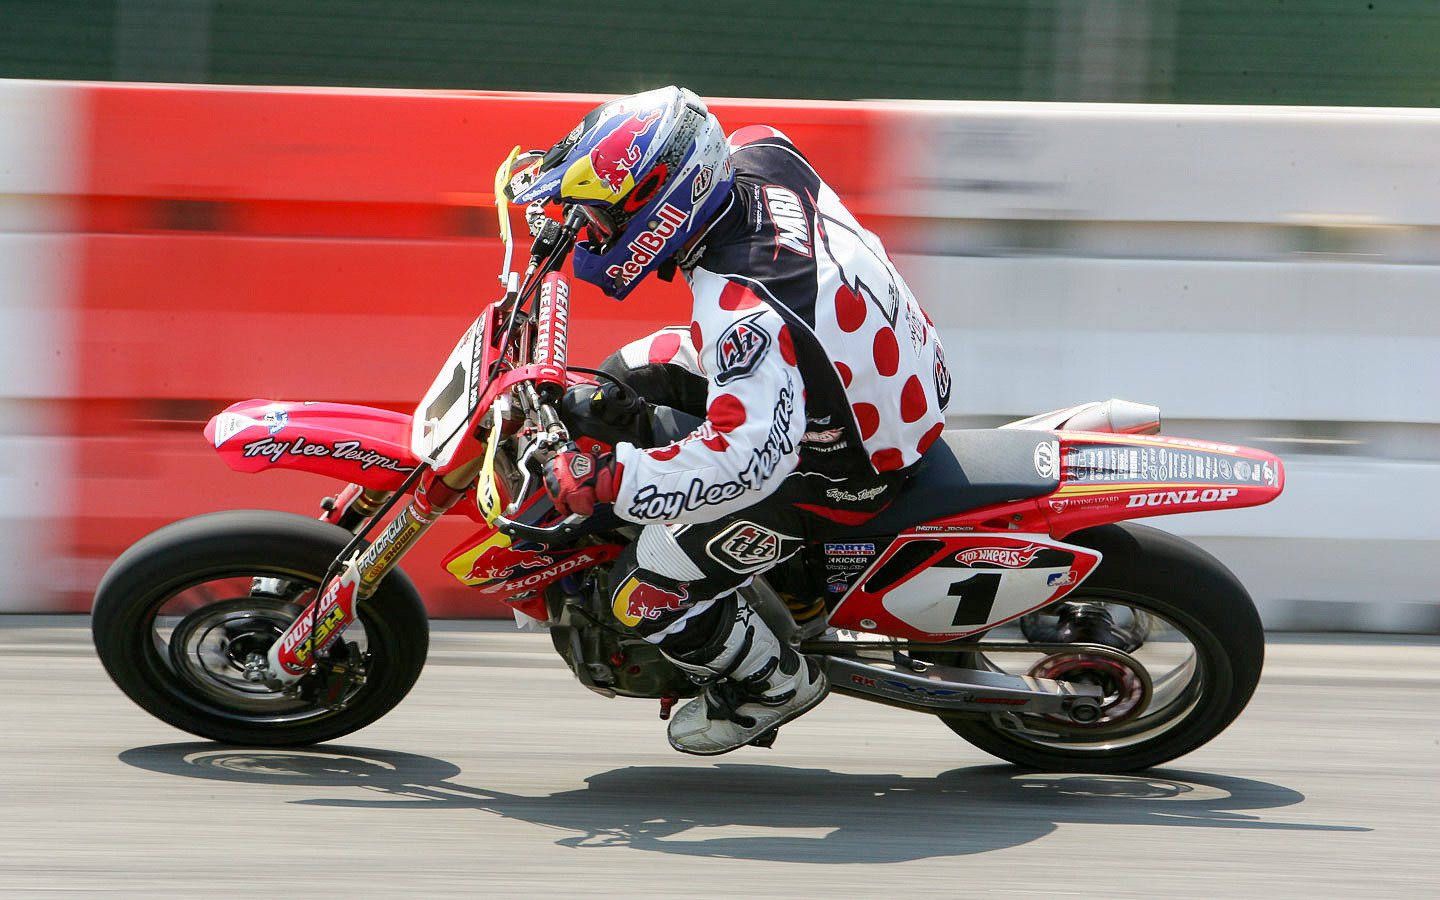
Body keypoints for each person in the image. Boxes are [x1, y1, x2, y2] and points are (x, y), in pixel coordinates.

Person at [509, 86, 950, 755]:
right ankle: (752, 584)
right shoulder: (759, 153)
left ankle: (771, 684)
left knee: (641, 591)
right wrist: (571, 185)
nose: (594, 231)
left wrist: (611, 481)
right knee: (613, 383)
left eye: (601, 216)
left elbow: (745, 460)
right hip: (859, 370)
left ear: (665, 204)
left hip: (844, 461)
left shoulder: (740, 310)